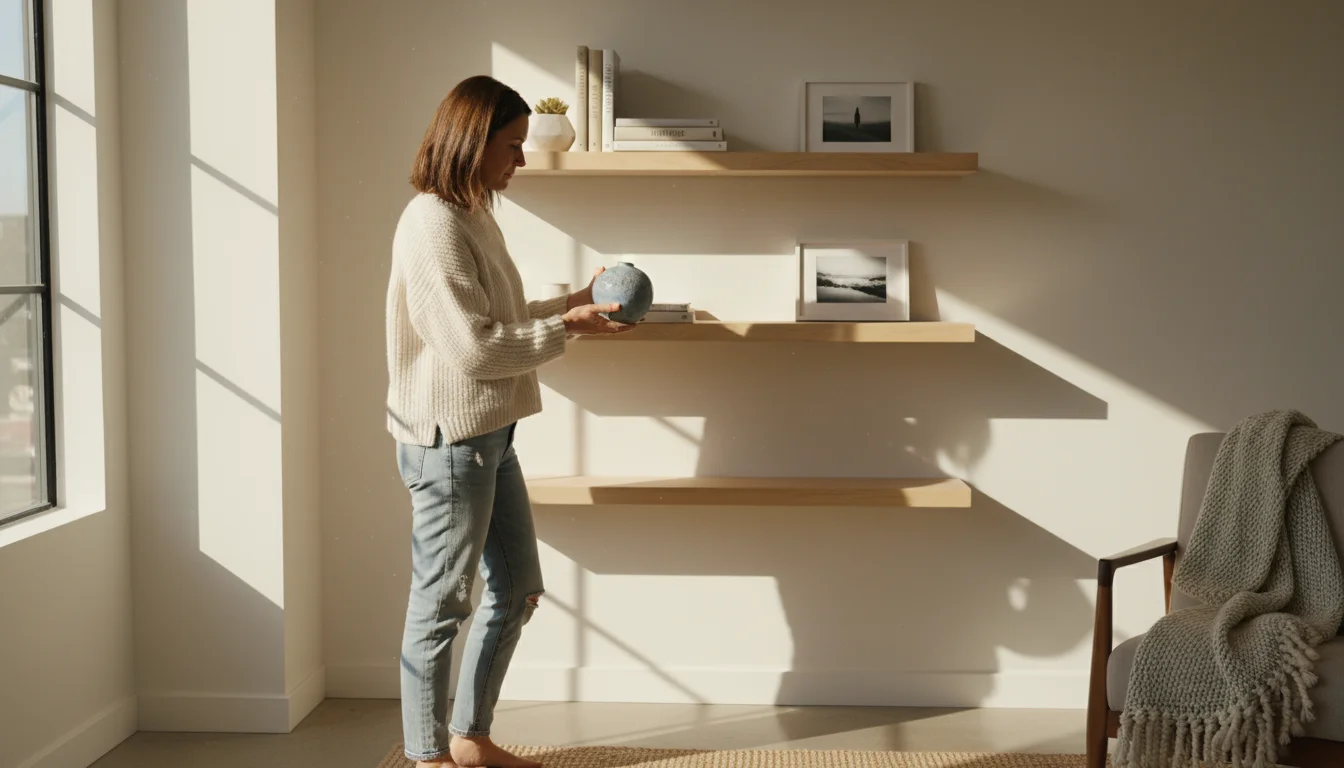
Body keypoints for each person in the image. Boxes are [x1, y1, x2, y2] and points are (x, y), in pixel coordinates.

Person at [385, 74, 634, 768]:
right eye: (514, 146)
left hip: (491, 436)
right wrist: (569, 329)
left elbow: (502, 316)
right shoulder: (432, 224)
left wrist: (576, 302)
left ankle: (469, 737)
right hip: (450, 443)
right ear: (474, 141)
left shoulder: (473, 216)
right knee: (441, 604)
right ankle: (427, 756)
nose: (521, 161)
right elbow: (472, 348)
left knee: (517, 588)